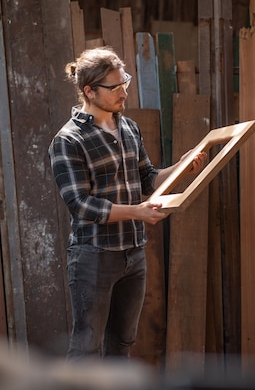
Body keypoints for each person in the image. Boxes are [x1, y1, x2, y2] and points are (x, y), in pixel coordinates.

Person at [48, 46, 206, 361]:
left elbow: (147, 179)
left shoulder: (128, 127)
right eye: (115, 86)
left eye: (125, 82)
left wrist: (182, 166)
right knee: (87, 347)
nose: (124, 92)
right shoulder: (68, 140)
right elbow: (81, 205)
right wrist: (137, 212)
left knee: (122, 345)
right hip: (93, 256)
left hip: (133, 254)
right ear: (88, 91)